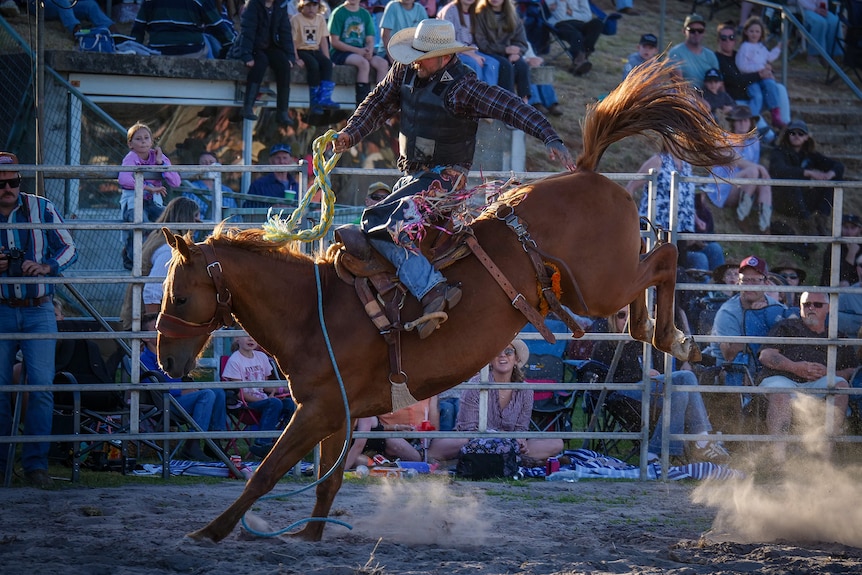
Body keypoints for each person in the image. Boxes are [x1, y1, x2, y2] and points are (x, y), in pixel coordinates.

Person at [332, 19, 573, 339]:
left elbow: (510, 106)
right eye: (415, 52)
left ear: (445, 56)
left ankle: (432, 289)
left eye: (424, 54)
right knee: (372, 223)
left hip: (446, 179)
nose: (416, 59)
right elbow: (376, 103)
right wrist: (350, 134)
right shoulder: (404, 72)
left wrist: (549, 137)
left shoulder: (464, 87)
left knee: (385, 222)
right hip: (412, 176)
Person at [0, 151, 78, 488]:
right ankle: (3, 466)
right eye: (1, 183)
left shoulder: (41, 206)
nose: (7, 188)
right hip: (2, 307)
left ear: (21, 180)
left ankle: (35, 466)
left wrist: (46, 266)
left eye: (13, 181)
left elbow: (69, 248)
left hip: (40, 306)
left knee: (42, 389)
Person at [590, 307, 730, 463]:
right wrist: (642, 375)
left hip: (652, 390)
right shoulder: (605, 344)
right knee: (685, 378)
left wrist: (655, 375)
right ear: (612, 319)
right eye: (621, 315)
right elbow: (604, 380)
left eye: (633, 315)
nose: (627, 320)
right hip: (623, 394)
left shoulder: (646, 341)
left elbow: (664, 370)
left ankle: (654, 454)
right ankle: (701, 440)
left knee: (680, 390)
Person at [426, 340, 564, 464]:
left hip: (510, 444)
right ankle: (508, 459)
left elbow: (521, 428)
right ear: (490, 360)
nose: (503, 355)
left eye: (508, 352)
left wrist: (520, 440)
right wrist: (500, 440)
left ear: (516, 359)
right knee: (446, 446)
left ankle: (491, 459)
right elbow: (468, 429)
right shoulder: (476, 384)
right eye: (497, 352)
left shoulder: (526, 390)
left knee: (556, 443)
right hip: (475, 441)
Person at [758, 291, 854, 462]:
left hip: (821, 381)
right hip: (784, 378)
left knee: (841, 386)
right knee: (780, 393)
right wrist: (796, 367)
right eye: (806, 304)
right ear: (799, 307)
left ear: (829, 308)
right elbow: (766, 355)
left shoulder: (838, 335)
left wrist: (829, 373)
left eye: (817, 305)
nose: (811, 308)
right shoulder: (786, 327)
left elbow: (852, 371)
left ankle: (824, 458)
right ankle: (777, 461)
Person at [139, 313, 223, 461]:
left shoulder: (169, 354)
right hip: (164, 404)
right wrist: (183, 391)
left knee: (218, 392)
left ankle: (214, 445)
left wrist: (188, 389)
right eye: (157, 329)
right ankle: (192, 445)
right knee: (207, 395)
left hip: (180, 400)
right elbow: (155, 390)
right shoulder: (143, 360)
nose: (163, 332)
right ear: (145, 337)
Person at [627, 148, 721, 272]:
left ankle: (716, 290)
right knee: (699, 260)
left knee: (715, 249)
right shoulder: (657, 161)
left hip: (683, 232)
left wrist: (696, 219)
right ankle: (690, 289)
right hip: (659, 232)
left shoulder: (686, 165)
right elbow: (630, 187)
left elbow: (685, 198)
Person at [120, 196, 203, 330]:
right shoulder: (169, 248)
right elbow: (152, 291)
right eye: (195, 217)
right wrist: (153, 330)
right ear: (186, 219)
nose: (199, 222)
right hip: (143, 324)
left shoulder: (158, 236)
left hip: (138, 319)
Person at [704, 255, 788, 371]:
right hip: (731, 372)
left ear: (766, 282)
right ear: (738, 282)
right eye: (745, 280)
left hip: (767, 369)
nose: (750, 286)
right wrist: (755, 318)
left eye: (755, 280)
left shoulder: (776, 307)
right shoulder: (727, 312)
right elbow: (729, 355)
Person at [118, 122, 181, 271]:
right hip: (134, 202)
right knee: (142, 223)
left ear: (152, 141)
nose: (143, 141)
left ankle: (167, 256)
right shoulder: (131, 157)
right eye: (138, 139)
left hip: (153, 203)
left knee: (169, 220)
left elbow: (176, 181)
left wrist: (160, 163)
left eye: (147, 138)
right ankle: (133, 257)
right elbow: (124, 179)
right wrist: (148, 188)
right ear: (130, 144)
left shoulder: (157, 156)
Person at [714, 20, 791, 142]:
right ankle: (769, 137)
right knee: (754, 109)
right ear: (718, 40)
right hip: (737, 100)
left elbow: (759, 63)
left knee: (779, 88)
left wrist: (768, 70)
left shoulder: (738, 54)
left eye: (731, 37)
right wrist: (760, 74)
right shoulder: (717, 58)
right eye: (724, 38)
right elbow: (735, 80)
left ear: (735, 39)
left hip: (753, 95)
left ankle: (785, 125)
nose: (728, 40)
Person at [222, 335, 296, 458]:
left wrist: (284, 389)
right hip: (246, 404)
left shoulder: (261, 357)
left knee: (290, 403)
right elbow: (239, 394)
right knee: (274, 403)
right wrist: (266, 399)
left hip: (264, 400)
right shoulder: (234, 360)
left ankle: (287, 445)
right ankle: (262, 445)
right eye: (246, 336)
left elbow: (265, 386)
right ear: (236, 339)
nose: (251, 339)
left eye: (253, 335)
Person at [704, 105, 773, 233]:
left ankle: (765, 224)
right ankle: (742, 215)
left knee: (762, 178)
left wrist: (760, 170)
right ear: (733, 123)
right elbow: (736, 161)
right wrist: (759, 168)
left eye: (746, 120)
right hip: (722, 186)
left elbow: (754, 168)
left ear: (751, 122)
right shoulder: (723, 139)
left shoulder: (754, 142)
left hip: (743, 186)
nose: (743, 123)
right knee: (754, 171)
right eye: (739, 120)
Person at [769, 119, 845, 228]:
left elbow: (838, 166)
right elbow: (779, 170)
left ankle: (821, 219)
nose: (796, 136)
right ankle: (807, 224)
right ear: (787, 135)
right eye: (793, 133)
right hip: (783, 200)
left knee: (836, 180)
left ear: (806, 137)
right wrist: (807, 173)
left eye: (801, 134)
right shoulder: (778, 152)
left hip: (803, 199)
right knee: (792, 183)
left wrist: (830, 174)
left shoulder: (810, 154)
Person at [237, 0, 297, 126]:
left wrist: (290, 56)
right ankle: (248, 106)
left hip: (272, 46)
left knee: (284, 65)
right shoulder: (253, 5)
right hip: (254, 46)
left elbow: (285, 32)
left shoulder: (280, 6)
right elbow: (247, 31)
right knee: (260, 64)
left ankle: (282, 111)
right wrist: (246, 55)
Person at [344, 396, 439, 468]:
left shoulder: (364, 411)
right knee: (357, 460)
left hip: (373, 447)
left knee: (358, 460)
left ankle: (386, 465)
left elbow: (358, 445)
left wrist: (342, 471)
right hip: (358, 449)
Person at [329, 0, 391, 105]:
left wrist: (370, 50)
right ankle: (362, 104)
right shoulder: (338, 12)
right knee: (363, 64)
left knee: (382, 63)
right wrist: (358, 51)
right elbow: (334, 41)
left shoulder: (365, 14)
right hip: (341, 52)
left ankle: (380, 103)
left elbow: (370, 38)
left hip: (362, 50)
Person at [131, 0, 235, 58]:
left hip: (158, 52)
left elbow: (138, 29)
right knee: (207, 40)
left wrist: (133, 51)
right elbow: (218, 27)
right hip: (192, 53)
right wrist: (233, 45)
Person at [473, 0, 531, 98]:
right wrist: (505, 49)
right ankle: (508, 101)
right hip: (489, 52)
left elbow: (521, 41)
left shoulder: (513, 15)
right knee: (505, 66)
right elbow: (481, 43)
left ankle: (524, 102)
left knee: (521, 65)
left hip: (509, 53)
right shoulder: (480, 14)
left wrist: (518, 52)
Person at [292, 0, 340, 115]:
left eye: (314, 5)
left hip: (315, 49)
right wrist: (296, 58)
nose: (311, 9)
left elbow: (323, 40)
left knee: (326, 64)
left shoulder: (320, 19)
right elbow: (292, 41)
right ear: (302, 6)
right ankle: (314, 102)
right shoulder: (296, 19)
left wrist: (327, 58)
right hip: (301, 49)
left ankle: (325, 97)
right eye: (308, 5)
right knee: (313, 65)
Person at [436, 0, 500, 85]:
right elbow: (447, 41)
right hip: (454, 53)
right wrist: (471, 54)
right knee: (474, 63)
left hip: (470, 50)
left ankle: (488, 95)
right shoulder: (450, 10)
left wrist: (473, 52)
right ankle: (475, 95)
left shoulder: (474, 11)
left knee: (492, 63)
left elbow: (473, 39)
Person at [736, 17, 784, 129]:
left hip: (763, 77)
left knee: (772, 85)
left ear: (761, 33)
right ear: (746, 32)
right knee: (757, 95)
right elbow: (742, 66)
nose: (754, 34)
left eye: (757, 31)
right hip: (751, 78)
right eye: (751, 31)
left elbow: (769, 57)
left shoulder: (761, 47)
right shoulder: (745, 47)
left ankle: (775, 113)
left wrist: (778, 48)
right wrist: (761, 68)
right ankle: (751, 119)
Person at [545, 0, 604, 76]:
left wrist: (572, 13)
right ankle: (579, 61)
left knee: (597, 23)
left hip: (580, 23)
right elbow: (560, 16)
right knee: (576, 35)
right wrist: (562, 2)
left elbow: (587, 16)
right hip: (560, 24)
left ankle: (582, 56)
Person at [182, 151, 240, 222]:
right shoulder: (190, 189)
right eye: (204, 163)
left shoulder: (227, 191)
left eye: (211, 162)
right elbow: (186, 215)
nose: (208, 165)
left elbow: (235, 216)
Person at [667, 14, 719, 89]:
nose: (696, 33)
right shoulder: (675, 53)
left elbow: (719, 83)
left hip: (710, 96)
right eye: (692, 31)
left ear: (704, 32)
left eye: (700, 31)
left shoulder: (710, 55)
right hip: (687, 97)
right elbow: (679, 85)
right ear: (684, 31)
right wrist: (701, 100)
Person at [244, 143, 300, 210]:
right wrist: (271, 209)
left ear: (291, 160)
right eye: (278, 158)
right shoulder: (259, 185)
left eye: (285, 158)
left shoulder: (297, 187)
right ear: (271, 161)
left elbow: (306, 210)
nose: (281, 161)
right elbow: (247, 210)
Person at [28, 0, 116, 39]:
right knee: (62, 1)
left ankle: (114, 32)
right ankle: (77, 31)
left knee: (90, 5)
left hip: (63, 4)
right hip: (38, 4)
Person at [820, 214, 862, 287]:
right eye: (845, 227)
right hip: (834, 289)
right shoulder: (834, 246)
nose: (849, 232)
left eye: (853, 228)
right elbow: (837, 277)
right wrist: (851, 255)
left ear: (860, 229)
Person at [797, 0, 843, 65]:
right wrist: (815, 9)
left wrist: (823, 8)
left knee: (834, 22)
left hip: (819, 9)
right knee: (820, 23)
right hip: (804, 9)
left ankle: (831, 55)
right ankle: (814, 54)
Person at [525, 42, 562, 116]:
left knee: (541, 70)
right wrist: (527, 60)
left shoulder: (521, 37)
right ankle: (535, 103)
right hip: (515, 63)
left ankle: (551, 104)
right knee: (527, 70)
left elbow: (530, 53)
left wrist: (535, 59)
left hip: (527, 61)